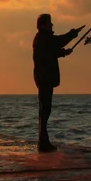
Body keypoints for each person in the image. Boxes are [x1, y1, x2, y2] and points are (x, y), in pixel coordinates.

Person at [32, 13, 85, 152]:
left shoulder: (42, 39)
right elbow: (58, 42)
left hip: (43, 78)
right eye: (50, 22)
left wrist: (63, 53)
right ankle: (43, 143)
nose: (52, 25)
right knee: (45, 110)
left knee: (44, 110)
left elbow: (51, 52)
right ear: (43, 25)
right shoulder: (43, 38)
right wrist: (73, 33)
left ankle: (43, 141)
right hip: (45, 79)